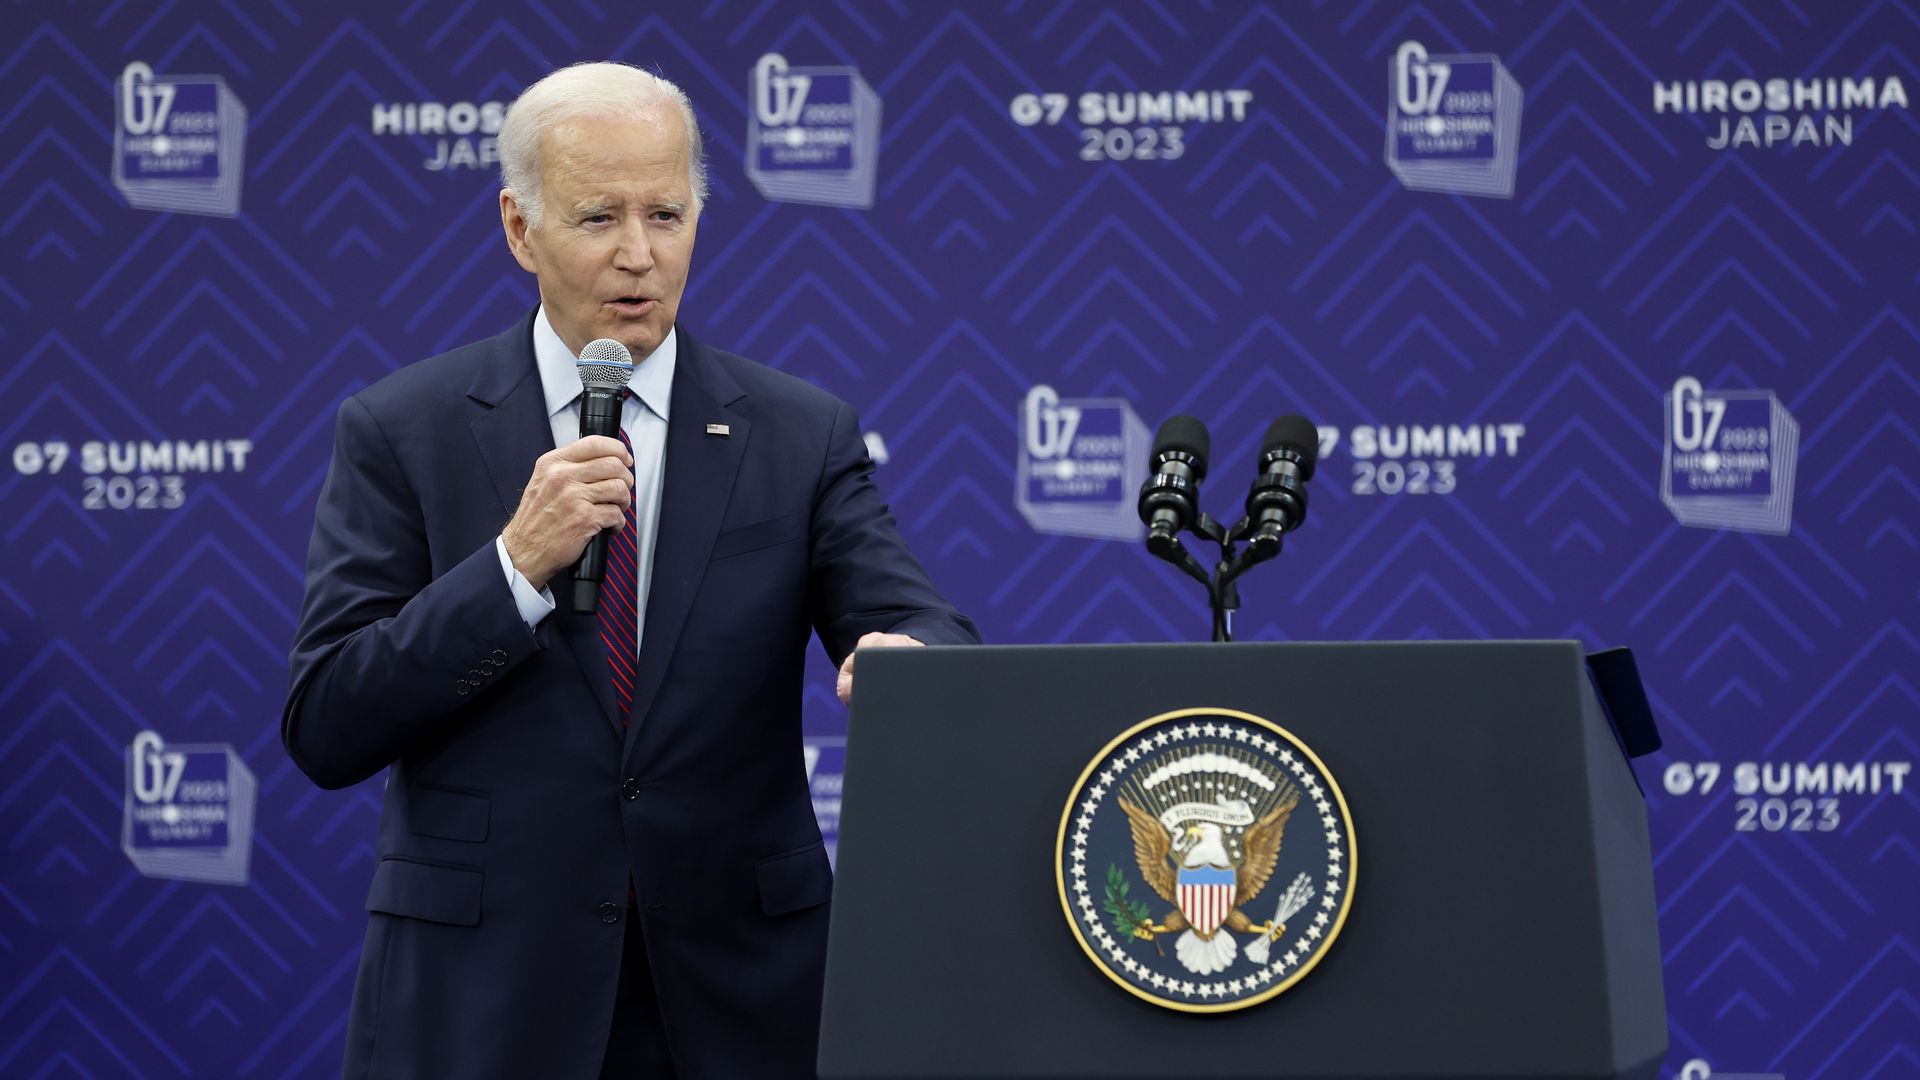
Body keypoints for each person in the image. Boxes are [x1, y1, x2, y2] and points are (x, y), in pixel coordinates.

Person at [282, 61, 978, 1079]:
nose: (641, 257)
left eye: (668, 212)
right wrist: (513, 569)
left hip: (735, 995)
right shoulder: (404, 430)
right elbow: (328, 720)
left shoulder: (797, 431)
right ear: (520, 229)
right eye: (599, 217)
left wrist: (909, 659)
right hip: (487, 993)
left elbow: (917, 616)